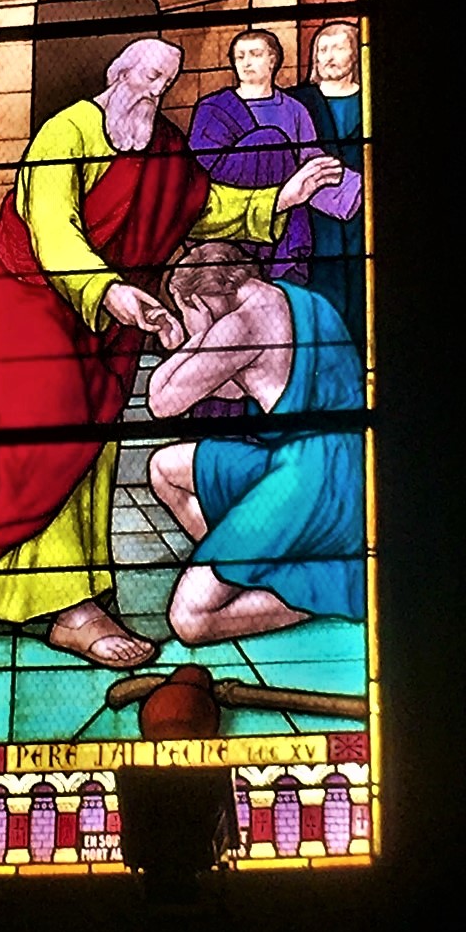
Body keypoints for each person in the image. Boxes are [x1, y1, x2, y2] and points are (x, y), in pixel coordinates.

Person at [0, 38, 346, 668]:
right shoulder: (66, 133)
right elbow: (53, 229)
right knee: (46, 435)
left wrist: (281, 196)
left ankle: (71, 600)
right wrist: (109, 290)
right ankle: (35, 593)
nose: (156, 91)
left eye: (166, 82)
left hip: (110, 317)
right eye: (148, 76)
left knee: (93, 443)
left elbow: (203, 205)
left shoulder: (165, 147)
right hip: (34, 305)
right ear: (118, 73)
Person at [147, 242, 365, 645]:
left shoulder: (244, 322)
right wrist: (196, 341)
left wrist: (197, 334)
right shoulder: (294, 300)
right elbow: (230, 386)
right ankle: (245, 565)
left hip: (313, 482)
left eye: (186, 309)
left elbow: (161, 401)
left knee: (189, 618)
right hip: (323, 463)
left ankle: (315, 590)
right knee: (166, 468)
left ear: (201, 299)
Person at [187, 28, 361, 288]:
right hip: (232, 224)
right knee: (269, 139)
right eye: (240, 56)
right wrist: (265, 152)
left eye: (255, 54)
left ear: (273, 60)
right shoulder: (213, 108)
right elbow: (200, 170)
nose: (246, 62)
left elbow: (309, 161)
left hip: (285, 224)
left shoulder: (294, 109)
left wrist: (351, 188)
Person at [287, 21, 365, 347]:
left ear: (356, 54)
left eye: (338, 48)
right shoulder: (297, 101)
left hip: (365, 227)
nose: (328, 56)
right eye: (322, 49)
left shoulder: (374, 98)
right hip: (314, 228)